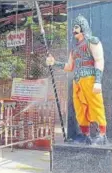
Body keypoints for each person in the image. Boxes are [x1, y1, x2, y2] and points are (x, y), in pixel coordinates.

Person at [46, 15, 107, 145]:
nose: (74, 30)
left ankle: (102, 134)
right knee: (79, 109)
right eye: (73, 27)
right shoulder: (74, 48)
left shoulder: (92, 41)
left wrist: (98, 81)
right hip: (77, 81)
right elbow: (69, 67)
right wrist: (54, 62)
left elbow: (99, 60)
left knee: (96, 105)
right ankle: (87, 135)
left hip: (90, 78)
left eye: (76, 27)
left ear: (83, 27)